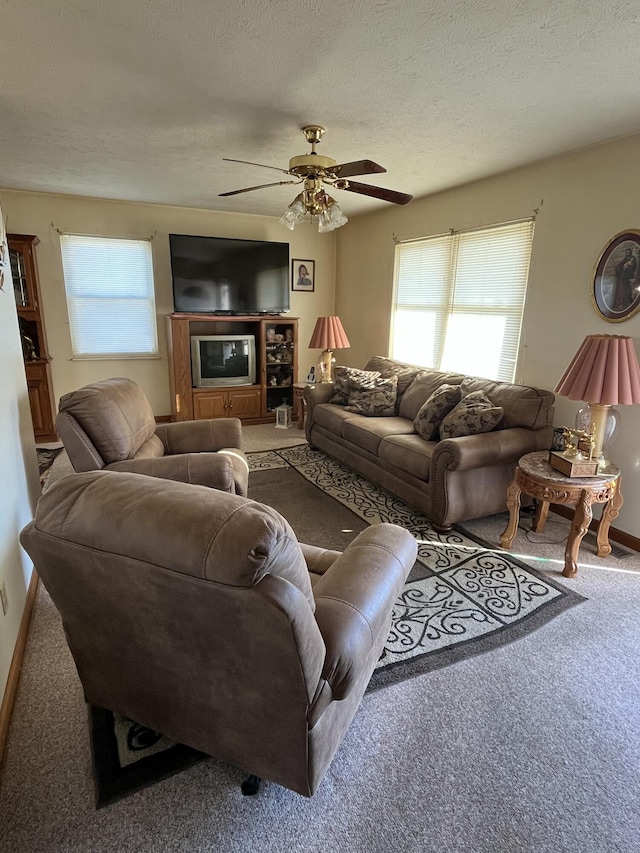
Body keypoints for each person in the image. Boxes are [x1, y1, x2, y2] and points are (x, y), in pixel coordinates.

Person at [612, 246, 637, 311]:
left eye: (628, 252)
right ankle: (622, 303)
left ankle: (627, 302)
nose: (627, 253)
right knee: (621, 290)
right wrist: (618, 267)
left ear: (630, 253)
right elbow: (620, 266)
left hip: (627, 277)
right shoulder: (624, 259)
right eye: (626, 252)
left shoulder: (632, 258)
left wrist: (628, 266)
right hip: (622, 277)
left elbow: (633, 267)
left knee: (627, 289)